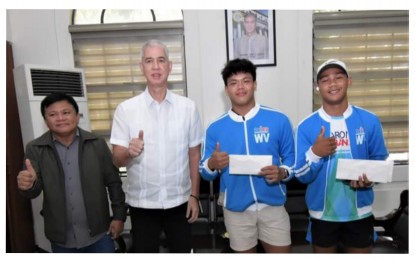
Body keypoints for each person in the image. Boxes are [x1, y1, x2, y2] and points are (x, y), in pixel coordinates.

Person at [110, 39, 204, 253]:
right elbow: (116, 158)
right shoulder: (126, 110)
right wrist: (129, 152)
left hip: (180, 202)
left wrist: (195, 195)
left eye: (161, 60)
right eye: (149, 61)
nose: (156, 66)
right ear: (141, 67)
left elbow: (194, 155)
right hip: (143, 204)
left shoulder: (188, 108)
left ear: (169, 66)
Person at [199, 58, 295, 253]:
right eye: (233, 83)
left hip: (273, 207)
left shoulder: (279, 120)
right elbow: (205, 172)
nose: (240, 87)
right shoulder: (215, 128)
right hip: (236, 211)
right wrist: (212, 164)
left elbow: (292, 160)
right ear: (226, 89)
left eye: (246, 80)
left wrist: (282, 173)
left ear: (255, 84)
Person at [294, 59, 389, 253]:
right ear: (317, 87)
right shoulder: (306, 126)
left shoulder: (369, 120)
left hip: (360, 214)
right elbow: (301, 175)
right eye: (325, 79)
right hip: (322, 216)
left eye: (338, 77)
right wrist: (315, 153)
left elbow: (380, 161)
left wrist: (369, 180)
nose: (333, 83)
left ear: (349, 81)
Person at [16, 92, 127, 253]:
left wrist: (118, 217)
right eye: (53, 114)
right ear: (46, 121)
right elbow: (33, 192)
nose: (60, 118)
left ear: (77, 116)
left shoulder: (96, 144)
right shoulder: (35, 149)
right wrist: (28, 185)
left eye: (66, 112)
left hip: (99, 234)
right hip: (62, 239)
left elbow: (114, 183)